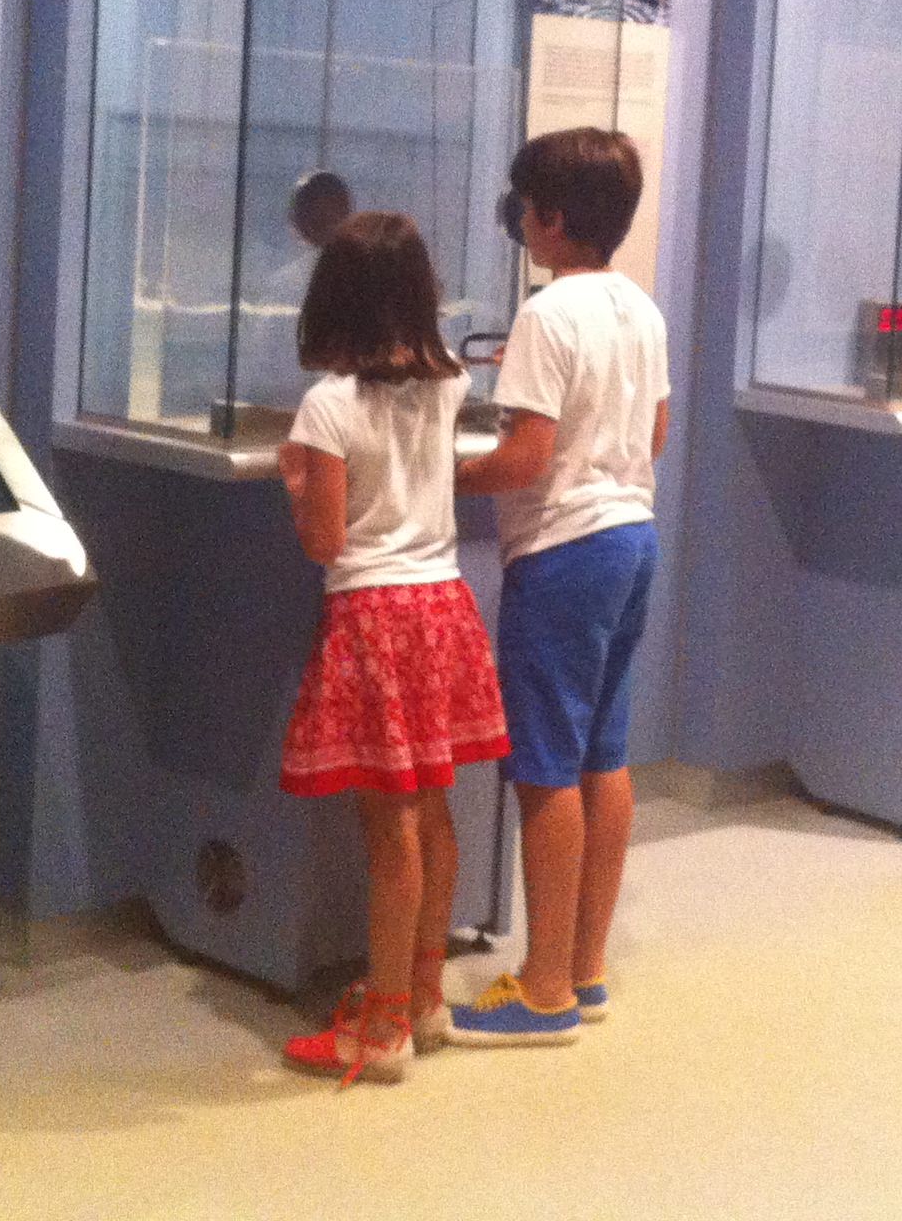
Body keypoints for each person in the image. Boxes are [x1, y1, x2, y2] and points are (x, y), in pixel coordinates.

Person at [276, 211, 511, 1085]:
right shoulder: (446, 385)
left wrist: (297, 477)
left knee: (390, 826)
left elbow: (324, 539)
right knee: (437, 809)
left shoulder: (328, 406)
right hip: (441, 605)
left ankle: (379, 1029)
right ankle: (422, 995)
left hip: (373, 616)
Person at [450, 128, 668, 1047]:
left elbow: (527, 458)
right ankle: (583, 966)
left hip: (564, 552)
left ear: (553, 217)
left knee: (544, 765)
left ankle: (541, 992)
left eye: (526, 208)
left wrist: (440, 474)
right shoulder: (640, 308)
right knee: (602, 757)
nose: (522, 225)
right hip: (631, 535)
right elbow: (652, 437)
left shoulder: (546, 317)